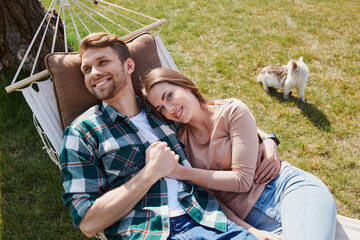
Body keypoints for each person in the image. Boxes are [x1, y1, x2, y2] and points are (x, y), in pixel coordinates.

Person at [60, 32, 259, 239]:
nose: (94, 73)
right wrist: (150, 173)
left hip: (209, 220)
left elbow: (212, 116)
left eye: (102, 62)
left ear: (128, 66)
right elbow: (89, 224)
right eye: (87, 69)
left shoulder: (163, 111)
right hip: (149, 232)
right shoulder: (82, 132)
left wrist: (267, 138)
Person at [142, 67, 338, 240]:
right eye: (161, 108)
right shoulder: (182, 143)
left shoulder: (231, 111)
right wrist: (250, 230)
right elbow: (212, 200)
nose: (169, 109)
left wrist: (181, 172)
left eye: (169, 96)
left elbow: (242, 181)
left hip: (285, 191)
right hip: (255, 221)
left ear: (185, 85)